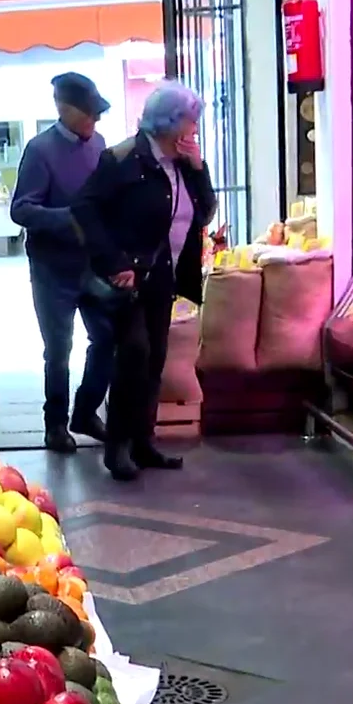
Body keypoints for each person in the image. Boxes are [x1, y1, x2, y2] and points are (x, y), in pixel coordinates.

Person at [72, 80, 217, 482]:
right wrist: (113, 260)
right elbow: (85, 208)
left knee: (154, 360)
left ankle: (142, 441)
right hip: (128, 280)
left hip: (164, 277)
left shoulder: (182, 164)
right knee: (134, 355)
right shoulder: (123, 159)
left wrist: (199, 167)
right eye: (190, 121)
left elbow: (205, 212)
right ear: (170, 122)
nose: (194, 129)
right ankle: (117, 446)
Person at [10, 71, 116, 453]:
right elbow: (21, 210)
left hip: (93, 264)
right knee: (58, 350)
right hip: (52, 269)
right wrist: (69, 218)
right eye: (89, 113)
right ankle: (54, 425)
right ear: (63, 109)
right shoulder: (40, 151)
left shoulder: (99, 145)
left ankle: (85, 412)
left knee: (107, 337)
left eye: (98, 112)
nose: (95, 120)